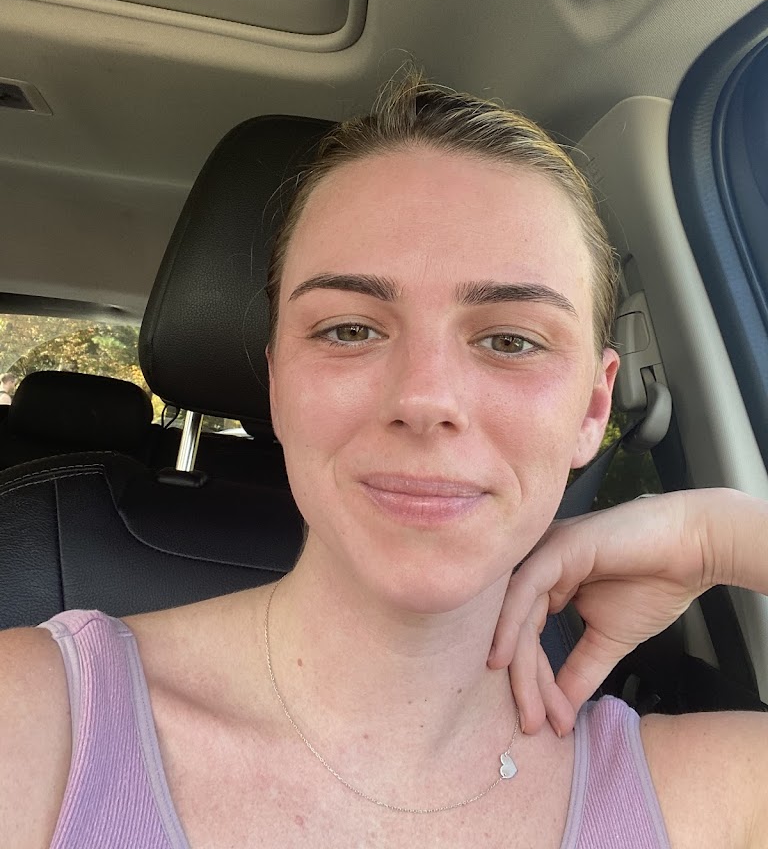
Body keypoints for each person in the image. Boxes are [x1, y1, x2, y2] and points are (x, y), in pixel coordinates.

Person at [1, 74, 767, 849]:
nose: (424, 397)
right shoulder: (32, 723)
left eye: (511, 340)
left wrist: (721, 536)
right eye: (349, 330)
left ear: (593, 409)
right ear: (279, 382)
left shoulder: (717, 795)